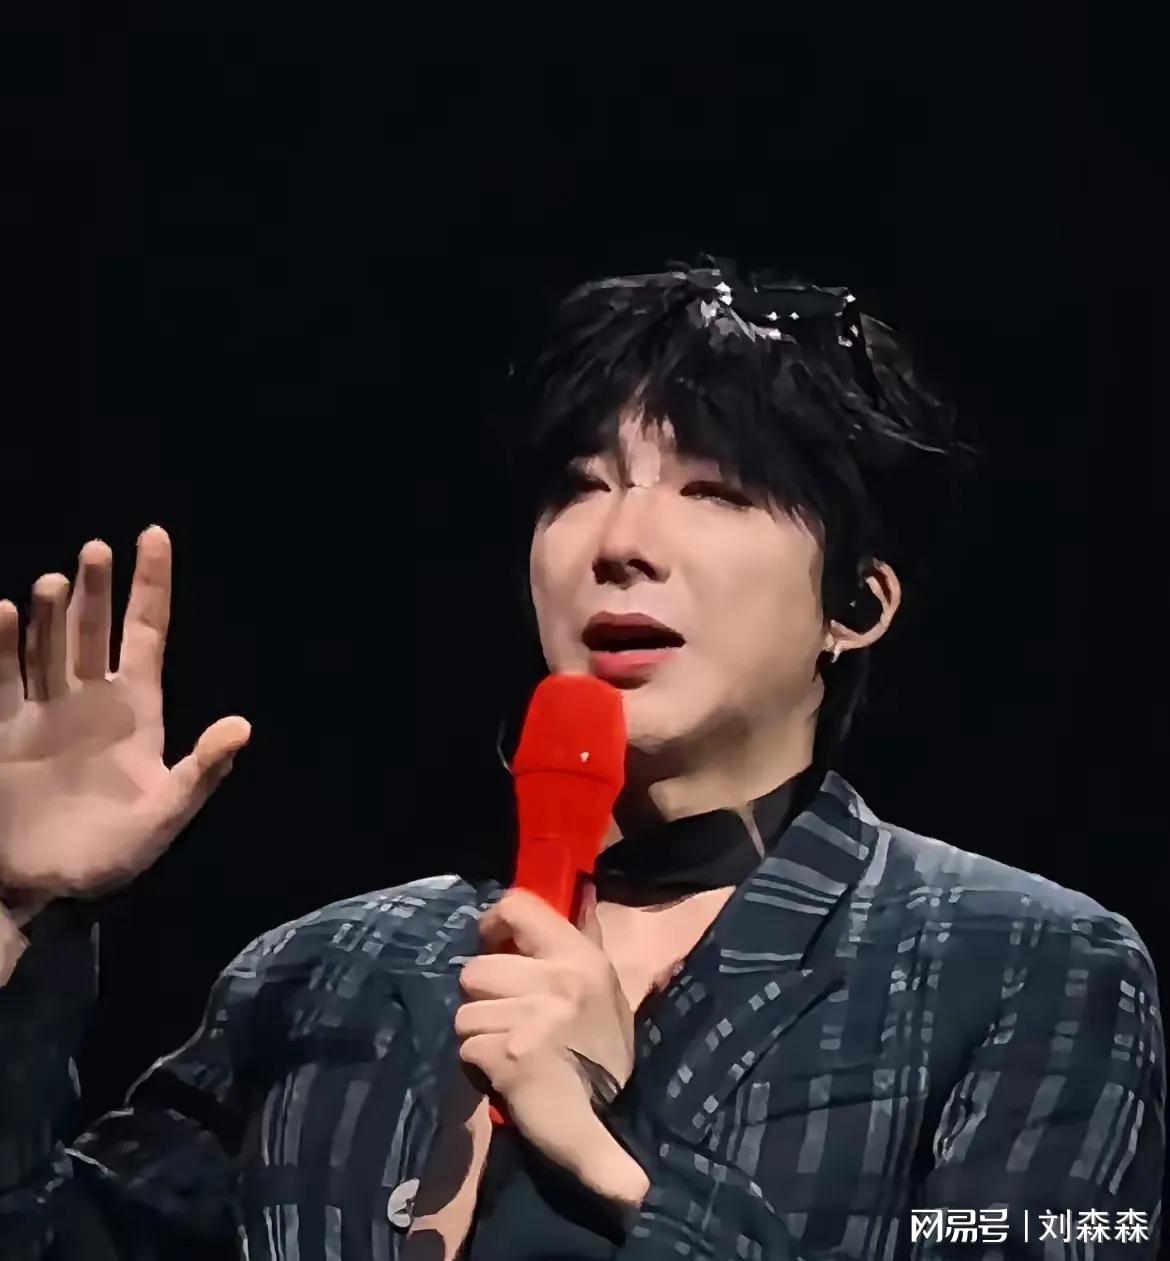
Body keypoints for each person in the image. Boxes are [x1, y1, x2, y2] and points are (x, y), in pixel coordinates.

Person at [0, 260, 1163, 1260]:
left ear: (853, 605)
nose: (620, 543)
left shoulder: (1023, 966)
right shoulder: (324, 971)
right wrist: (16, 912)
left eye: (716, 490)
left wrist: (612, 1160)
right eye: (580, 487)